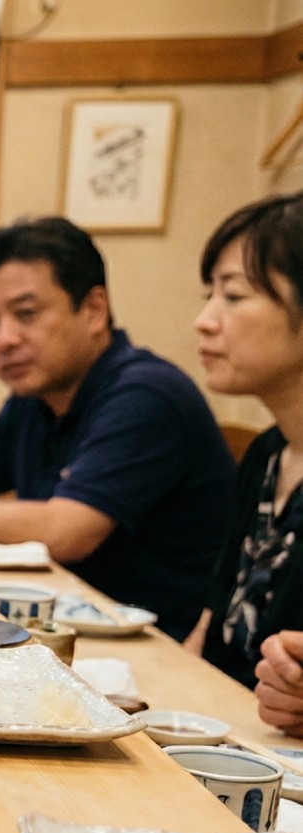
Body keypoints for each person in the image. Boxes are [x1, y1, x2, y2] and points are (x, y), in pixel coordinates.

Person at [0, 217, 233, 639]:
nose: (4, 340)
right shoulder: (34, 398)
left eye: (26, 314)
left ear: (93, 310)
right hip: (62, 631)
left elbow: (66, 532)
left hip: (154, 651)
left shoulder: (147, 394)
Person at [183, 194, 303, 737]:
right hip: (225, 737)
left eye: (233, 295)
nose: (204, 321)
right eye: (210, 295)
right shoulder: (266, 455)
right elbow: (211, 631)